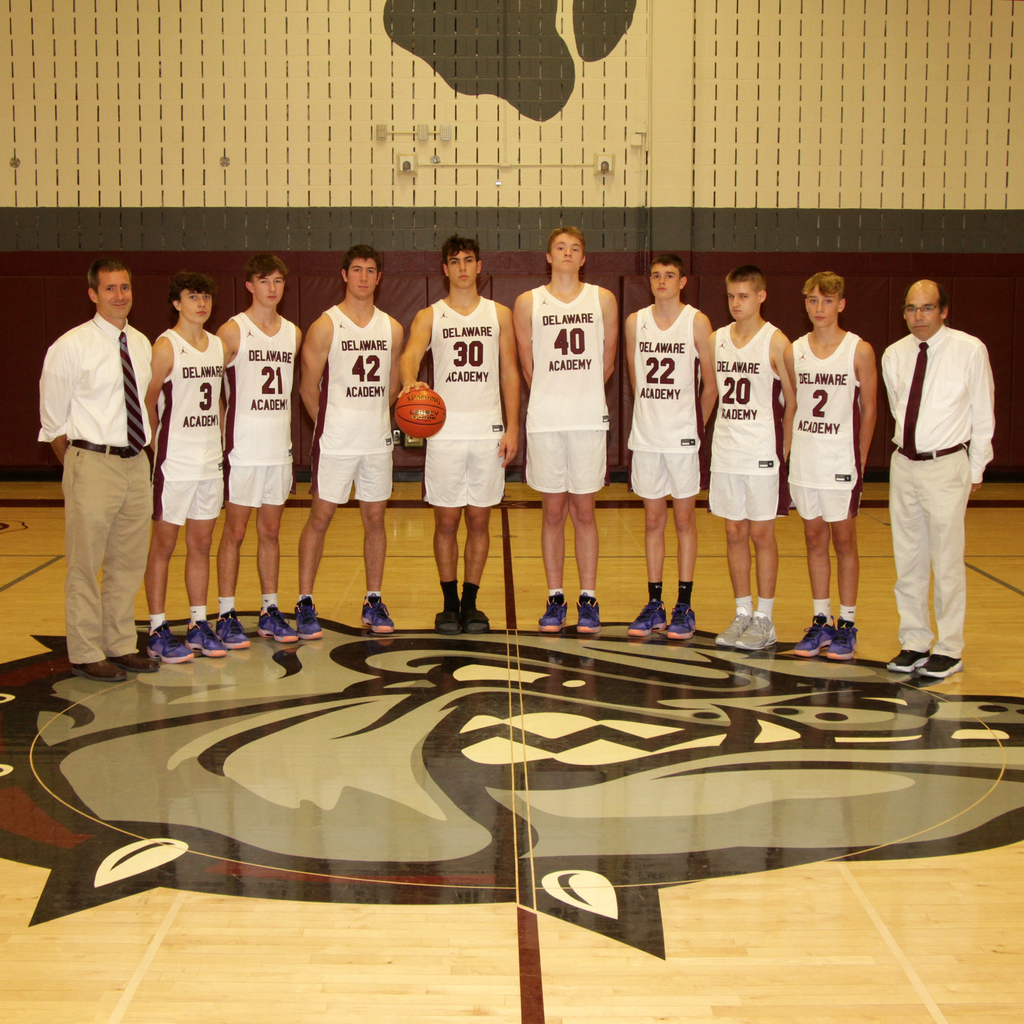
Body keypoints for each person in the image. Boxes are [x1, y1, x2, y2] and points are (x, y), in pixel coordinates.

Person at [38, 258, 160, 681]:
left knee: (127, 563)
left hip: (134, 463)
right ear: (93, 294)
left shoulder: (141, 344)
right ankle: (86, 651)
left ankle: (121, 644)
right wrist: (81, 465)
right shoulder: (71, 347)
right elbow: (53, 423)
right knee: (86, 565)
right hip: (92, 461)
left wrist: (142, 457)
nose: (119, 296)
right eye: (110, 288)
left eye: (124, 287)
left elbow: (144, 406)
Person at [399, 235, 520, 634]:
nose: (463, 267)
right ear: (445, 269)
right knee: (447, 521)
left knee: (480, 522)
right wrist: (410, 384)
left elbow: (509, 372)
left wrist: (512, 426)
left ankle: (471, 602)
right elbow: (411, 356)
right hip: (445, 432)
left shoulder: (498, 313)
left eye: (470, 260)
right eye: (456, 261)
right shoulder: (430, 315)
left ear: (479, 267)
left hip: (487, 430)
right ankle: (449, 603)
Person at [881, 280, 995, 679]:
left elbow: (983, 412)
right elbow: (899, 409)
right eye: (911, 309)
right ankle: (914, 641)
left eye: (927, 308)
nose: (918, 317)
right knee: (908, 559)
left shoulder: (969, 349)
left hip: (947, 465)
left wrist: (976, 468)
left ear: (944, 311)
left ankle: (949, 647)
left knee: (946, 561)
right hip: (905, 465)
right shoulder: (894, 354)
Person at [513, 226, 618, 633]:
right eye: (561, 248)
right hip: (546, 419)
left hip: (588, 417)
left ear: (584, 257)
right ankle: (555, 596)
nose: (568, 254)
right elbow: (527, 364)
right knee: (553, 511)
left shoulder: (602, 299)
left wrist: (582, 392)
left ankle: (588, 597)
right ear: (549, 255)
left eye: (575, 248)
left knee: (584, 511)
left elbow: (607, 364)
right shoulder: (528, 302)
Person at [295, 245, 404, 637]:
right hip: (336, 442)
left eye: (370, 271)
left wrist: (370, 415)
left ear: (379, 278)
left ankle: (373, 600)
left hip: (376, 442)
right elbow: (308, 389)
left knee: (375, 520)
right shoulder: (327, 325)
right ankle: (305, 602)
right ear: (344, 275)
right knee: (320, 518)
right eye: (356, 270)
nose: (363, 277)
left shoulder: (391, 327)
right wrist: (329, 427)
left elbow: (393, 387)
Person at [784, 272, 877, 660]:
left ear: (841, 304)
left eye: (826, 301)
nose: (818, 308)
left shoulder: (859, 350)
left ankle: (848, 624)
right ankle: (821, 620)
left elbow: (870, 408)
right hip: (806, 458)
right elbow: (792, 403)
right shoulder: (795, 349)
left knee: (844, 541)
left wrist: (861, 457)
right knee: (813, 538)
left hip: (840, 459)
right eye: (811, 301)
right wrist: (787, 451)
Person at [623, 254, 716, 640]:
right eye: (657, 275)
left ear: (683, 282)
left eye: (670, 275)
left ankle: (684, 604)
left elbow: (710, 384)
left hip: (682, 439)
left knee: (684, 520)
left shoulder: (697, 321)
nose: (662, 281)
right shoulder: (635, 322)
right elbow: (635, 379)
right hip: (647, 438)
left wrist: (695, 428)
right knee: (652, 521)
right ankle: (655, 602)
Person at [214, 254, 302, 648]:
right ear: (250, 285)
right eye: (264, 280)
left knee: (270, 532)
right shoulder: (233, 331)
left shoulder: (293, 333)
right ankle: (226, 613)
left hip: (277, 451)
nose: (272, 287)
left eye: (278, 280)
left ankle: (269, 609)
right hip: (243, 451)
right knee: (234, 532)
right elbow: (208, 388)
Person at [709, 265, 795, 650]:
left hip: (761, 450)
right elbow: (711, 392)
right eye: (730, 296)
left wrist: (786, 449)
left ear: (761, 296)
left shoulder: (777, 342)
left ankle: (765, 618)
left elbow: (794, 402)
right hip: (726, 449)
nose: (735, 303)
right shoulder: (716, 339)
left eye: (743, 296)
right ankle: (742, 611)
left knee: (762, 534)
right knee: (733, 532)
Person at [143, 272, 226, 663]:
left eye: (206, 296)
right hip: (175, 462)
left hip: (209, 461)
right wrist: (155, 446)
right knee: (163, 545)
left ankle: (197, 622)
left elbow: (220, 402)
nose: (201, 304)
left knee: (202, 544)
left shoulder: (217, 346)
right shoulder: (165, 346)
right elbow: (148, 401)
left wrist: (221, 443)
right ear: (177, 302)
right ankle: (157, 627)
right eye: (193, 297)